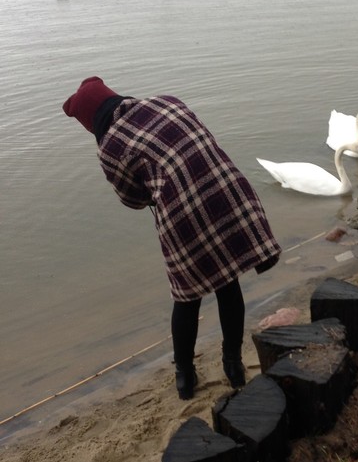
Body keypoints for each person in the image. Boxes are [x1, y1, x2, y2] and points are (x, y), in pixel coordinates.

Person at [62, 77, 281, 400]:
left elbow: (132, 198)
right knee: (227, 280)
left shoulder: (109, 148)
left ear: (91, 122)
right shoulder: (166, 100)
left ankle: (184, 376)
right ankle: (233, 364)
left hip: (183, 215)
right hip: (227, 189)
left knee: (186, 296)